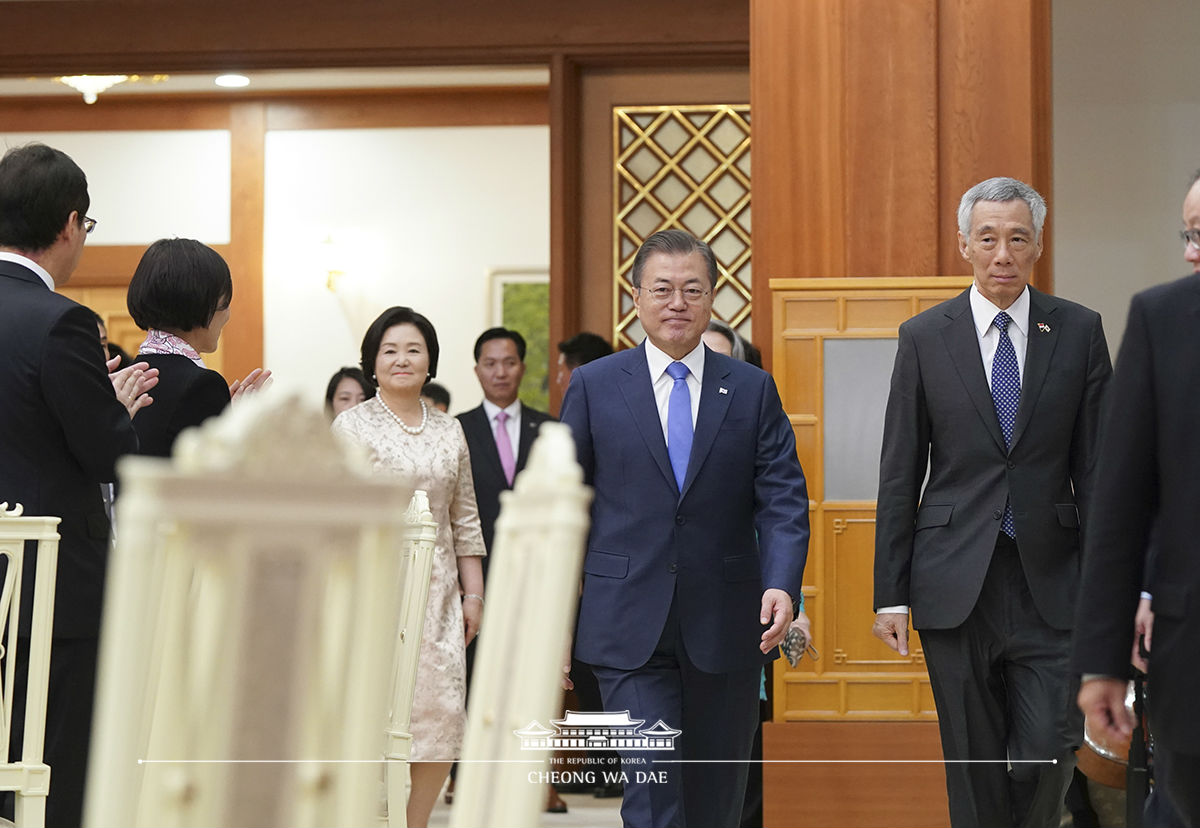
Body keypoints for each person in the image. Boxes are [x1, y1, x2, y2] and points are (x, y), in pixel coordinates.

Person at [873, 177, 1111, 828]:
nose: (1002, 252)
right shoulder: (924, 337)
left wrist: (1111, 588)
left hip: (1054, 580)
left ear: (1037, 246)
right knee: (972, 763)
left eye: (1017, 238)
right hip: (954, 580)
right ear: (964, 246)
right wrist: (889, 593)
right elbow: (899, 471)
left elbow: (1098, 472)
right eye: (988, 238)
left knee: (1047, 754)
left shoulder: (1079, 331)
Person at [559, 228, 810, 828]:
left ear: (712, 296)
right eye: (663, 289)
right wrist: (554, 620)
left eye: (692, 289)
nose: (677, 302)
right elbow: (564, 508)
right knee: (653, 795)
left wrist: (781, 583)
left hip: (727, 623)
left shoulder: (750, 388)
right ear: (637, 297)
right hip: (625, 624)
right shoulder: (595, 386)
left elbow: (782, 496)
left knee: (716, 802)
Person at [0, 142, 157, 827]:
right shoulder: (61, 322)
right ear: (70, 224)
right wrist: (113, 411)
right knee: (55, 777)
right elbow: (106, 453)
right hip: (52, 594)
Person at [1071, 169, 1200, 828]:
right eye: (1187, 232)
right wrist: (1101, 664)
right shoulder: (1162, 319)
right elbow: (1119, 506)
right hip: (1191, 658)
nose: (1189, 250)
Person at [331, 306, 485, 828]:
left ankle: (413, 821)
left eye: (413, 349)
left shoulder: (450, 430)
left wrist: (474, 594)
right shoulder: (350, 425)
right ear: (372, 361)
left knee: (441, 713)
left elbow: (465, 517)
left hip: (440, 595)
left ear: (430, 361)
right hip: (374, 589)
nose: (402, 359)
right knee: (375, 712)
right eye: (390, 350)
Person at [453, 327, 559, 811]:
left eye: (509, 362)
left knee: (534, 676)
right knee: (470, 676)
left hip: (537, 575)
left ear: (523, 367)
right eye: (490, 363)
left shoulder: (551, 430)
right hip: (473, 574)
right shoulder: (456, 429)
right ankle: (465, 776)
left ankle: (538, 781)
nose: (500, 372)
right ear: (477, 370)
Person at [126, 238, 271, 457]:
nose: (228, 315)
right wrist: (240, 424)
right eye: (225, 302)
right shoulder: (201, 386)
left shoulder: (126, 377)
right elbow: (214, 480)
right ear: (202, 304)